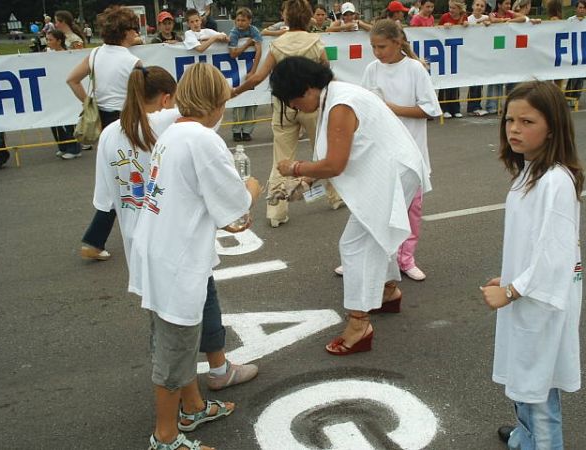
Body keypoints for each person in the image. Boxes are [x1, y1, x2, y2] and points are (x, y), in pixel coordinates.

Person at [129, 62, 262, 450]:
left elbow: (195, 198)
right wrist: (252, 187)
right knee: (174, 346)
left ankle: (192, 407)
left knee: (179, 337)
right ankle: (165, 437)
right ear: (216, 102)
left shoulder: (174, 133)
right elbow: (234, 203)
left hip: (160, 249)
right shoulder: (202, 139)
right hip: (176, 260)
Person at [272, 57, 429, 355]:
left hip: (393, 174)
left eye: (292, 101)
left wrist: (294, 168)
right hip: (393, 170)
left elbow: (334, 164)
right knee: (375, 234)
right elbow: (341, 158)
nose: (293, 108)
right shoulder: (338, 95)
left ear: (306, 90)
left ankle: (359, 324)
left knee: (356, 245)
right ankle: (387, 292)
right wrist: (305, 181)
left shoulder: (340, 105)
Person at [480, 80, 583, 449]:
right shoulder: (530, 171)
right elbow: (532, 243)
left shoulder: (555, 181)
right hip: (527, 294)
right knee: (523, 377)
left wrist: (513, 289)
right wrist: (511, 278)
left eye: (527, 122)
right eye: (510, 120)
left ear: (552, 127)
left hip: (541, 300)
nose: (514, 130)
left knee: (539, 390)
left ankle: (541, 441)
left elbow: (555, 253)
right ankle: (526, 437)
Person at [232, 0, 344, 227]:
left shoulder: (277, 45)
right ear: (308, 17)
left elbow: (257, 78)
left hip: (283, 108)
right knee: (323, 154)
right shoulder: (316, 43)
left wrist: (234, 92)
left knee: (280, 159)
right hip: (313, 106)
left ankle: (276, 211)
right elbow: (327, 76)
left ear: (286, 18)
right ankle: (335, 196)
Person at [362, 19, 440, 282]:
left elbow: (430, 110)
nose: (377, 52)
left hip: (411, 153)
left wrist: (390, 108)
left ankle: (406, 259)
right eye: (373, 46)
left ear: (397, 42)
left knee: (410, 210)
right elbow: (364, 107)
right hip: (380, 152)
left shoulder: (415, 69)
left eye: (381, 46)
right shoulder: (372, 69)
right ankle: (368, 256)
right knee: (375, 208)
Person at [67, 5, 142, 261]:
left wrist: (88, 102)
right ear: (126, 32)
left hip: (104, 122)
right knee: (136, 179)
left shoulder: (96, 54)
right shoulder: (133, 62)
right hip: (129, 122)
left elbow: (72, 79)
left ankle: (95, 239)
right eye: (134, 29)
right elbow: (145, 96)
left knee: (115, 180)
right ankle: (100, 239)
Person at [46, 30, 82, 160]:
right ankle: (63, 146)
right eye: (47, 39)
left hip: (66, 93)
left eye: (50, 39)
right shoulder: (47, 55)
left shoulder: (68, 55)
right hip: (54, 92)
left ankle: (74, 148)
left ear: (59, 41)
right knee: (55, 121)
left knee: (68, 121)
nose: (48, 42)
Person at [228, 7, 262, 142]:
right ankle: (236, 130)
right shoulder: (234, 32)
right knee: (239, 102)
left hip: (250, 69)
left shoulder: (254, 30)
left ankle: (247, 130)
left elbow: (259, 50)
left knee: (253, 102)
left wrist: (253, 71)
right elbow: (233, 53)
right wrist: (247, 44)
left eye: (243, 20)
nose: (240, 23)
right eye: (238, 20)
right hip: (237, 72)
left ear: (249, 21)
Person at [438, 0, 468, 119]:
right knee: (445, 82)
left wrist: (466, 24)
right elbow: (436, 30)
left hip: (457, 53)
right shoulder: (445, 16)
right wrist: (443, 26)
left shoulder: (463, 16)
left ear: (460, 9)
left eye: (454, 8)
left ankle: (455, 108)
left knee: (456, 82)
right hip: (445, 52)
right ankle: (444, 108)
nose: (451, 10)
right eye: (450, 7)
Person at [466, 0, 490, 116]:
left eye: (482, 6)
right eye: (477, 5)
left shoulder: (486, 17)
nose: (479, 7)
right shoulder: (469, 19)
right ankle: (472, 106)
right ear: (472, 6)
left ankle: (477, 105)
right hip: (472, 53)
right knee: (473, 81)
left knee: (480, 82)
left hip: (483, 53)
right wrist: (481, 21)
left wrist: (488, 22)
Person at [565, 0, 586, 104]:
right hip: (573, 52)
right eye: (580, 7)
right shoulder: (570, 20)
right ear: (576, 8)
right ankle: (569, 96)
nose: (582, 10)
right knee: (574, 75)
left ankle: (575, 98)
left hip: (584, 53)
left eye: (583, 8)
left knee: (581, 76)